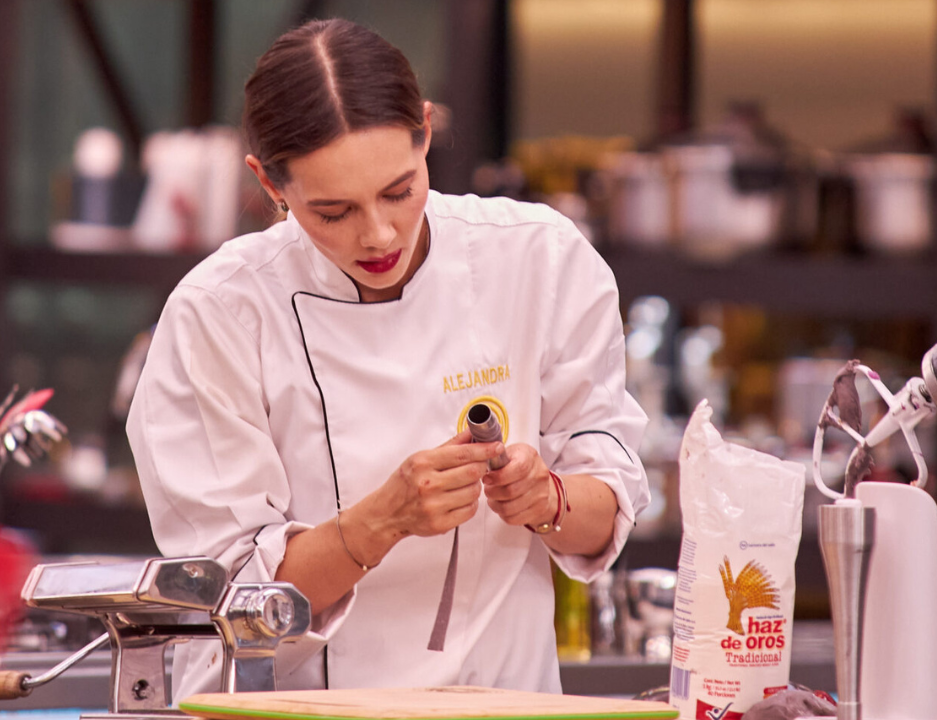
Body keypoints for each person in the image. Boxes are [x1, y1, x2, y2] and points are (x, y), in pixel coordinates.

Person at [126, 18, 649, 700]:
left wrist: (545, 497)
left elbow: (606, 508)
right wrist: (386, 518)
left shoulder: (537, 258)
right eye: (332, 211)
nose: (377, 234)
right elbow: (229, 602)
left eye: (399, 191)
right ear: (269, 183)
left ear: (425, 131)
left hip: (505, 705)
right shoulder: (221, 312)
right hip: (291, 713)